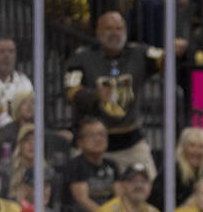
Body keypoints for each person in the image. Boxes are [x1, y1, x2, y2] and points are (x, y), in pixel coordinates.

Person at [63, 11, 186, 177]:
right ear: (98, 31)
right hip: (90, 144)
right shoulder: (81, 57)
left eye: (119, 28)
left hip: (131, 143)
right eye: (109, 28)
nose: (115, 33)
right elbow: (70, 92)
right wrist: (94, 95)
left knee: (152, 188)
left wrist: (173, 53)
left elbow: (162, 60)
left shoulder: (139, 52)